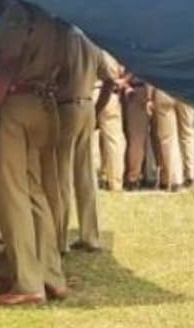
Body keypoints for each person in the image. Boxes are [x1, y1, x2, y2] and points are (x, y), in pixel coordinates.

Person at [0, 0, 67, 306]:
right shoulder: (51, 14)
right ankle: (51, 275)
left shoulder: (17, 15)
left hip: (16, 104)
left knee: (11, 195)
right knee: (35, 192)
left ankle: (27, 282)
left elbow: (8, 65)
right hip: (44, 102)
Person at [54, 26, 117, 253]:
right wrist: (97, 109)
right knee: (85, 173)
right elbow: (110, 80)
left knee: (60, 175)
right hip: (87, 105)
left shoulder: (58, 40)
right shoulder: (91, 40)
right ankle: (90, 235)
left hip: (63, 107)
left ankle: (59, 239)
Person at [150, 85, 194, 191]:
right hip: (187, 90)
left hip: (164, 90)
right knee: (187, 133)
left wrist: (150, 96)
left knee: (167, 138)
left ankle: (173, 178)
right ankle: (190, 173)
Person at [94, 67, 127, 191]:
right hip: (111, 94)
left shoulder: (87, 48)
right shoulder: (114, 50)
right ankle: (116, 183)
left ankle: (89, 181)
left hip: (89, 93)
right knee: (114, 142)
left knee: (86, 141)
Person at [121, 71, 153, 191]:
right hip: (139, 89)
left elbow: (134, 68)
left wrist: (123, 81)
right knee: (138, 137)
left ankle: (133, 178)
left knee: (136, 137)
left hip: (135, 90)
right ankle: (139, 173)